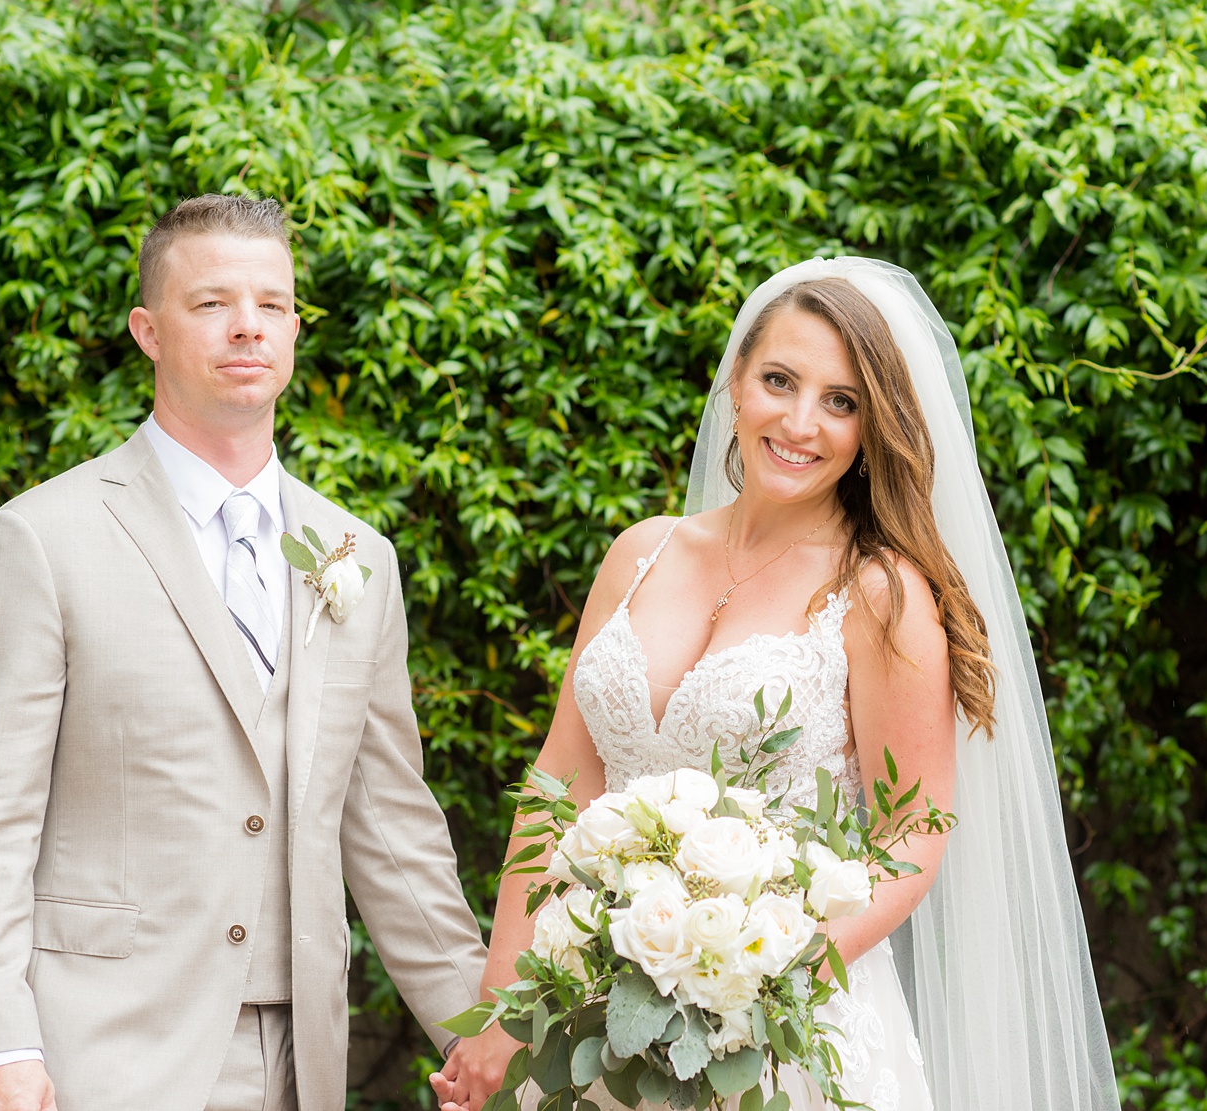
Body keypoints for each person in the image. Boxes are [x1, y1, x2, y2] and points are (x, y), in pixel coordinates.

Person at [437, 258, 1122, 1111]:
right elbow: (559, 787)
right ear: (735, 381)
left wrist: (754, 973)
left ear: (873, 426)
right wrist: (508, 997)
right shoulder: (639, 553)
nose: (802, 422)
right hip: (596, 1016)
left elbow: (913, 833)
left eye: (842, 401)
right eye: (780, 380)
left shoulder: (881, 595)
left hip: (786, 1037)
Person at [0, 194, 494, 1111]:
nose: (248, 329)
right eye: (212, 304)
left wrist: (487, 1032)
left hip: (300, 1062)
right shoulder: (38, 540)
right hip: (93, 1054)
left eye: (272, 305)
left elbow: (392, 829)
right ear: (148, 330)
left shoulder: (360, 559)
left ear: (297, 326)